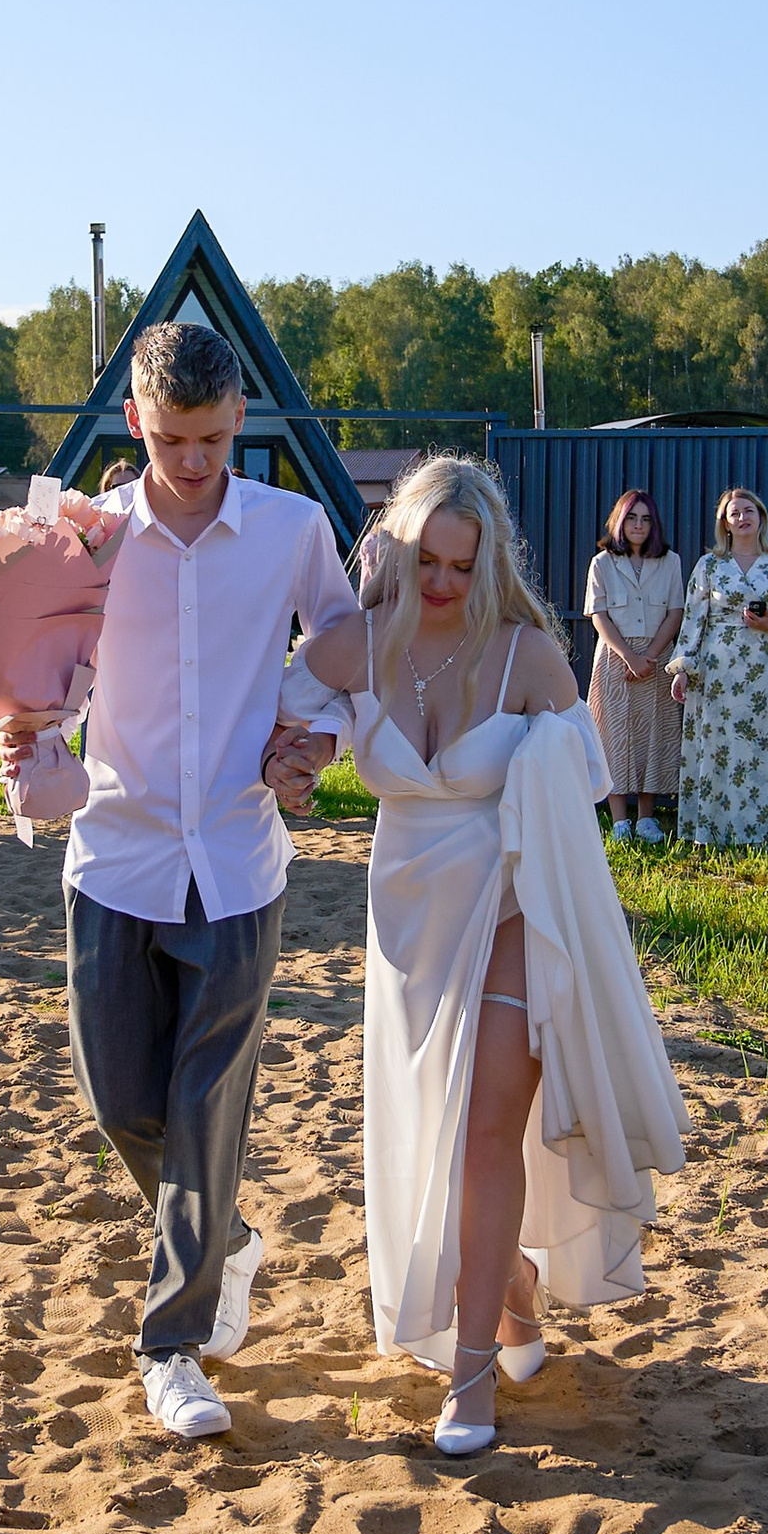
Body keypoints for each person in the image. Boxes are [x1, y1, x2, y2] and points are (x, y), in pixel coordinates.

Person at [4, 320, 360, 1444]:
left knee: (210, 1109)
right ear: (134, 422)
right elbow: (40, 679)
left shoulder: (297, 531)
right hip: (115, 853)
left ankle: (173, 1344)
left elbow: (345, 644)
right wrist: (31, 743)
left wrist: (315, 742)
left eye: (210, 437)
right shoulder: (83, 539)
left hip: (242, 861)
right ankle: (224, 1239)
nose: (193, 459)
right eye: (171, 438)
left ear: (240, 419)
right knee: (124, 1102)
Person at [289, 458, 685, 1459]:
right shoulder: (360, 644)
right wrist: (366, 582)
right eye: (427, 561)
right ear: (401, 547)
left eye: (463, 568)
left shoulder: (528, 656)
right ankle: (506, 1282)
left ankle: (468, 1376)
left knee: (481, 1129)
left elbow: (584, 786)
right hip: (408, 920)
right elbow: (285, 697)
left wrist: (539, 764)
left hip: (512, 903)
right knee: (432, 1130)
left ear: (490, 563)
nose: (444, 585)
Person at [666, 487, 768, 848]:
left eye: (749, 511)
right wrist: (684, 667)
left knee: (765, 747)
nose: (742, 517)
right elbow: (693, 621)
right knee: (719, 747)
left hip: (765, 673)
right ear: (725, 524)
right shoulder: (709, 566)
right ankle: (714, 832)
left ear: (761, 517)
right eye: (734, 513)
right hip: (717, 675)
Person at [583, 487, 684, 842]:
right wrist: (629, 656)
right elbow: (598, 614)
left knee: (655, 736)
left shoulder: (670, 561)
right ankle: (620, 821)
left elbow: (675, 612)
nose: (638, 525)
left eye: (645, 519)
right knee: (613, 737)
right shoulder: (602, 563)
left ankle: (646, 818)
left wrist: (651, 657)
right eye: (631, 518)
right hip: (615, 659)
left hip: (657, 660)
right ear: (619, 522)